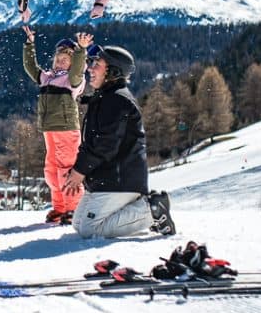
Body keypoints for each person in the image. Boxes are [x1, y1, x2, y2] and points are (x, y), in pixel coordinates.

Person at [61, 45, 176, 238]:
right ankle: (137, 211)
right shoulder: (105, 98)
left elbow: (105, 144)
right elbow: (91, 142)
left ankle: (151, 210)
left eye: (97, 64)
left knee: (90, 229)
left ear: (112, 71)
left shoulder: (117, 101)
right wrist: (78, 169)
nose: (90, 68)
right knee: (79, 223)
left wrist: (80, 171)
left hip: (120, 180)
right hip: (106, 179)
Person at [20, 15, 91, 224]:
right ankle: (59, 208)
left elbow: (79, 68)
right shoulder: (48, 77)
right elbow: (30, 68)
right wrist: (29, 44)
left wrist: (80, 50)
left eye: (65, 59)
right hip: (50, 130)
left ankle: (73, 209)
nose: (60, 61)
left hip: (67, 130)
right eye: (58, 58)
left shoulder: (73, 79)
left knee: (67, 169)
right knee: (51, 171)